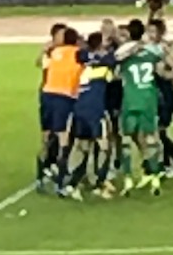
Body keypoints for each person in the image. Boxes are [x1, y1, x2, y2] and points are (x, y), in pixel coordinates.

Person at [58, 33, 114, 200]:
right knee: (105, 147)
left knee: (83, 147)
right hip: (95, 111)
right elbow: (112, 67)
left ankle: (71, 185)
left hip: (79, 110)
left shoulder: (83, 66)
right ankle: (100, 185)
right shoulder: (104, 68)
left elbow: (82, 55)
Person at [115, 18, 165, 194]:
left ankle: (128, 178)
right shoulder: (151, 51)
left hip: (131, 98)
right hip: (148, 99)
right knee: (151, 139)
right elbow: (161, 70)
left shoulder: (124, 51)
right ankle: (156, 177)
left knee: (126, 139)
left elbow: (116, 70)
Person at [36, 27, 82, 192]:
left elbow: (42, 65)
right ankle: (60, 181)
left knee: (47, 137)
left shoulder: (54, 52)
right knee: (64, 138)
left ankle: (40, 176)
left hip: (47, 94)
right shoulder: (79, 54)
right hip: (64, 97)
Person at [147, 18, 173, 178]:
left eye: (153, 31)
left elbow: (172, 72)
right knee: (155, 131)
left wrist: (163, 65)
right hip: (154, 93)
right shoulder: (150, 48)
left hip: (166, 94)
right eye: (148, 31)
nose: (150, 34)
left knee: (161, 130)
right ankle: (165, 162)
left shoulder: (165, 50)